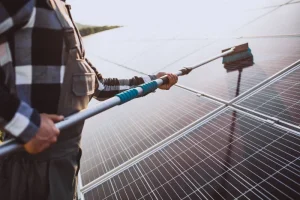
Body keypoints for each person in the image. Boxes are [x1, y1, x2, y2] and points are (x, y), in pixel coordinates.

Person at [0, 0, 178, 199]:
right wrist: (26, 125)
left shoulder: (62, 13)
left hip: (64, 172)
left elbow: (100, 87)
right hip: (27, 177)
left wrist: (153, 82)